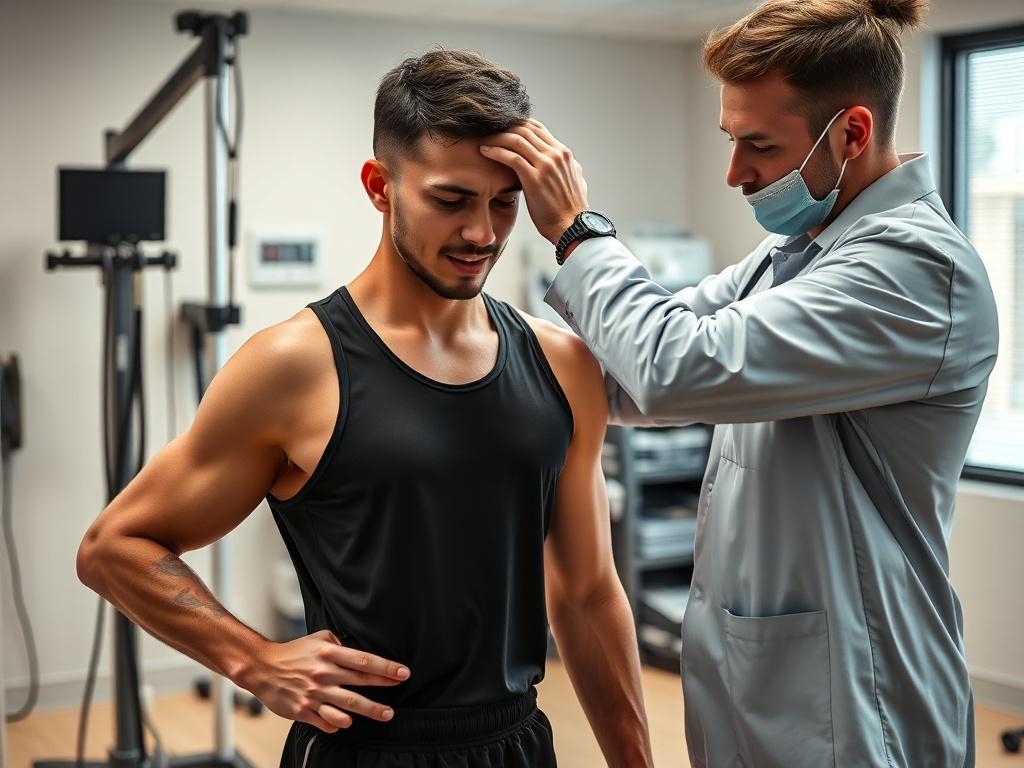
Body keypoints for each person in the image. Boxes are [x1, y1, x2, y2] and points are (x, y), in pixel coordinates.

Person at [76, 49, 654, 768]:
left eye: (504, 202)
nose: (483, 233)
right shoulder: (293, 365)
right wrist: (253, 660)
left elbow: (590, 597)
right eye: (451, 200)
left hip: (516, 745)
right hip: (364, 748)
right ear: (380, 187)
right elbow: (113, 548)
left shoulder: (563, 365)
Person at [479, 0, 999, 766]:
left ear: (851, 132)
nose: (735, 173)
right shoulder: (794, 251)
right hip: (761, 681)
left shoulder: (915, 271)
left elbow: (671, 369)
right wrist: (455, 338)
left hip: (857, 703)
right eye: (731, 140)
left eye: (758, 144)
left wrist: (578, 233)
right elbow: (619, 381)